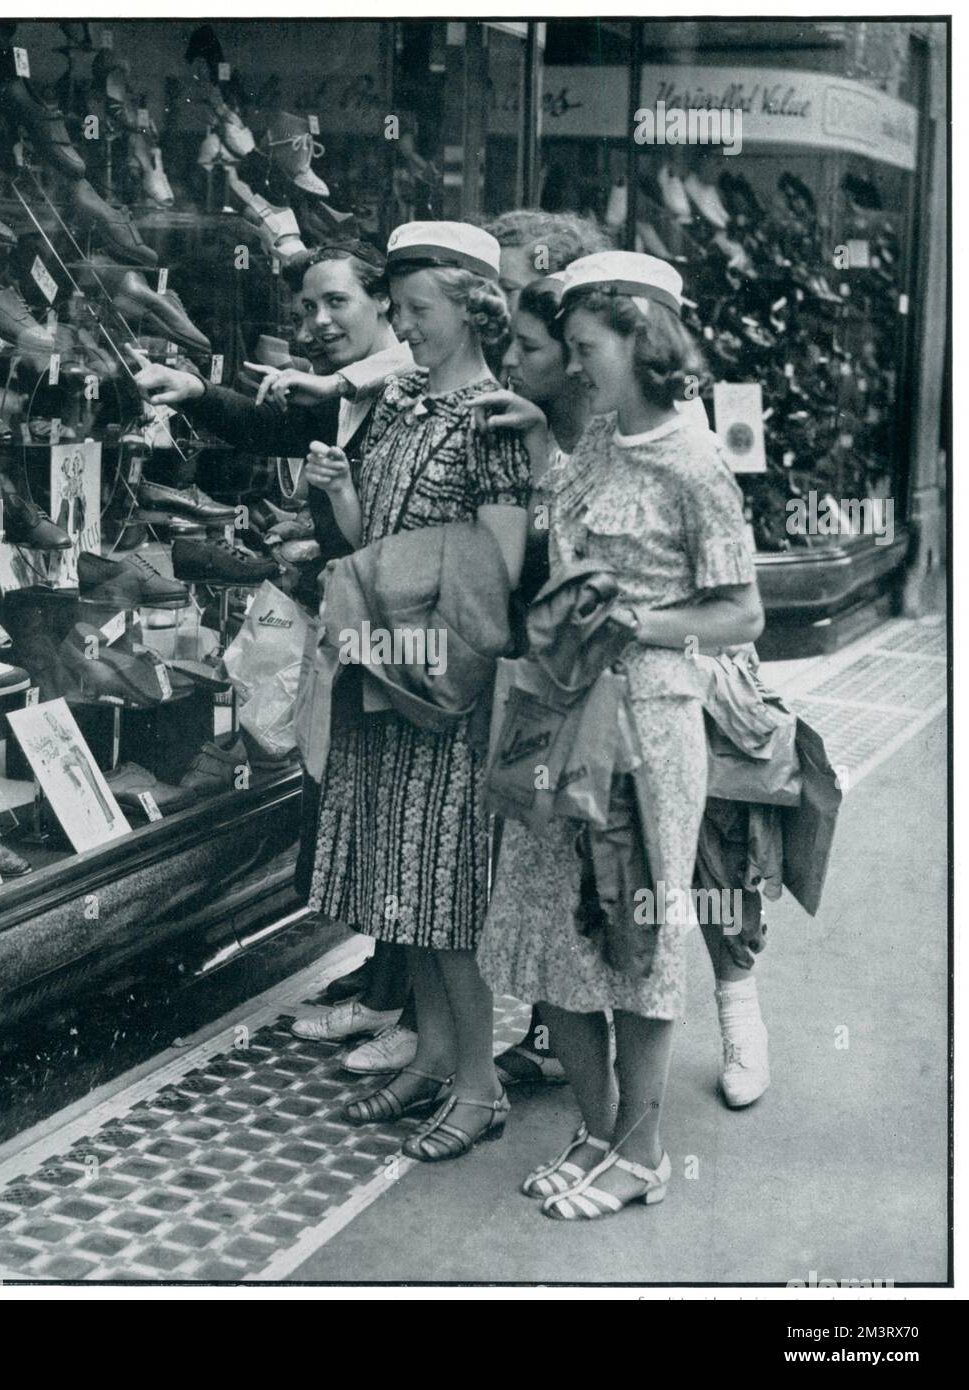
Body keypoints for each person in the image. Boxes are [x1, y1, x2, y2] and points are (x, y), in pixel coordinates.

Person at [477, 251, 764, 1217]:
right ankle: (595, 1133)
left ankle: (640, 1157)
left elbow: (743, 613)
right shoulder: (597, 437)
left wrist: (642, 622)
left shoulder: (696, 462)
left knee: (635, 935)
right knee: (552, 928)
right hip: (562, 711)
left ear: (642, 340)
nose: (574, 362)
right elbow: (562, 533)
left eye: (588, 346)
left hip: (649, 726)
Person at [128, 241, 417, 1041]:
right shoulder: (354, 392)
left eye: (336, 304)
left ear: (387, 303)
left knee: (386, 804)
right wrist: (195, 391)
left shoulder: (399, 382)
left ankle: (406, 994)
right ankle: (390, 971)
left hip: (394, 632)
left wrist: (317, 548)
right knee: (362, 800)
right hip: (358, 617)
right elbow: (273, 424)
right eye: (306, 310)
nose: (317, 323)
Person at [304, 221, 531, 1161]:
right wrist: (341, 498)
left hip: (444, 692)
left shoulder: (494, 419)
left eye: (419, 312)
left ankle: (480, 1087)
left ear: (475, 310)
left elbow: (504, 573)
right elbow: (369, 542)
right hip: (384, 670)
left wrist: (394, 589)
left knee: (446, 901)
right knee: (405, 894)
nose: (405, 329)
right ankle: (434, 1058)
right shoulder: (397, 400)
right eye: (396, 311)